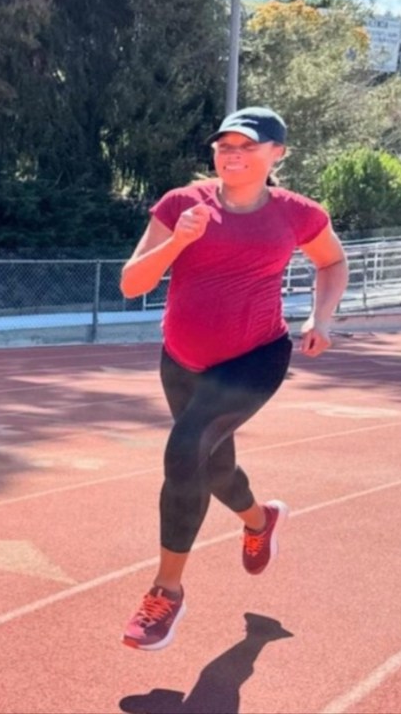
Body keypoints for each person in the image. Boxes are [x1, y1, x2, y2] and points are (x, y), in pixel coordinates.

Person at [117, 106, 349, 650]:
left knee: (185, 452)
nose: (233, 155)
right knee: (214, 465)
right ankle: (260, 518)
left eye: (247, 146)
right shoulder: (180, 204)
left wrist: (322, 316)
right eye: (224, 146)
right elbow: (132, 284)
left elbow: (331, 263)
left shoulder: (299, 214)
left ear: (277, 154)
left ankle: (165, 593)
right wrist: (178, 242)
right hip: (181, 359)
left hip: (255, 357)